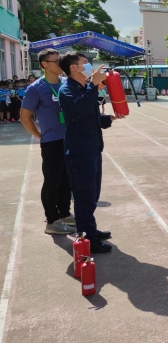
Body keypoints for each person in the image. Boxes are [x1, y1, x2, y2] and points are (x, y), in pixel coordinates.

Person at [58, 53, 125, 253]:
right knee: (84, 195)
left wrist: (109, 118)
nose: (89, 66)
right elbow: (80, 109)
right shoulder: (67, 89)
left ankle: (90, 229)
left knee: (92, 193)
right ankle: (88, 238)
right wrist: (94, 85)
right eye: (85, 63)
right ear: (73, 67)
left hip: (92, 148)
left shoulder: (83, 88)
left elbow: (89, 116)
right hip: (79, 151)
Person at [20, 48, 76, 235]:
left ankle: (64, 213)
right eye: (56, 61)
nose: (61, 64)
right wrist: (40, 136)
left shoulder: (66, 83)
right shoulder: (36, 88)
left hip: (69, 140)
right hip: (52, 142)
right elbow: (24, 117)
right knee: (52, 181)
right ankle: (52, 220)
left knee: (67, 180)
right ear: (44, 64)